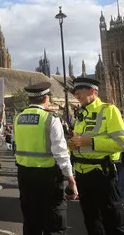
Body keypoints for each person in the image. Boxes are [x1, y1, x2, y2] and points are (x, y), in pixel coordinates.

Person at [14, 82, 77, 234]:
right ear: (45, 98)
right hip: (47, 176)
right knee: (54, 221)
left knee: (31, 221)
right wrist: (70, 178)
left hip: (24, 175)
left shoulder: (18, 118)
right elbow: (61, 152)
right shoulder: (50, 118)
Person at [69, 77, 124, 235]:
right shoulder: (80, 114)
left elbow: (123, 143)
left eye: (79, 91)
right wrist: (72, 146)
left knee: (114, 222)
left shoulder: (109, 110)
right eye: (75, 92)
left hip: (103, 173)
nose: (76, 95)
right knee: (92, 221)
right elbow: (80, 143)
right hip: (83, 175)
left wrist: (89, 141)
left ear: (92, 91)